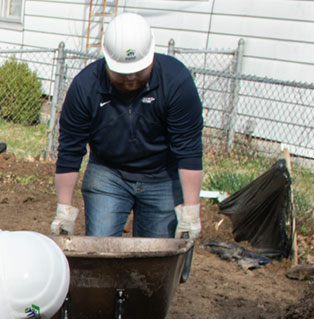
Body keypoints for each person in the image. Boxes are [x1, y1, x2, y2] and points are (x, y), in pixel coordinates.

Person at [50, 12, 202, 239]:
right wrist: (64, 210)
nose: (130, 78)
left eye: (138, 72)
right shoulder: (86, 86)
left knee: (157, 258)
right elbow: (70, 150)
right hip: (108, 174)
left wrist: (191, 211)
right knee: (101, 250)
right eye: (122, 73)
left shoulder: (176, 82)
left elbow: (188, 149)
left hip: (162, 176)